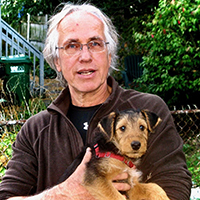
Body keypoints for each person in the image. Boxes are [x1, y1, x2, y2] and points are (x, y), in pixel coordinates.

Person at [0, 2, 192, 200]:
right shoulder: (35, 130)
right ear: (57, 60)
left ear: (109, 55)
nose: (85, 56)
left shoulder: (149, 109)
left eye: (95, 44)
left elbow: (175, 189)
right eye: (72, 45)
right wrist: (61, 194)